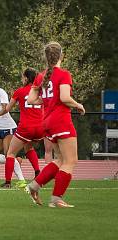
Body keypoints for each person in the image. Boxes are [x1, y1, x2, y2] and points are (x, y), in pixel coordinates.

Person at [25, 41, 85, 208]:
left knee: (60, 159)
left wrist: (46, 100)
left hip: (47, 122)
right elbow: (65, 98)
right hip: (61, 120)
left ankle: (34, 185)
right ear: (61, 56)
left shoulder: (41, 76)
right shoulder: (63, 74)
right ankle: (57, 198)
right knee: (71, 161)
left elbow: (30, 99)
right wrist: (78, 105)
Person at [0, 67, 43, 188]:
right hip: (40, 127)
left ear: (27, 78)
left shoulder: (20, 91)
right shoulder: (41, 91)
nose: (22, 79)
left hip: (26, 127)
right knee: (29, 147)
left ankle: (7, 182)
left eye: (23, 77)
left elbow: (7, 109)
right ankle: (38, 172)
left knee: (10, 153)